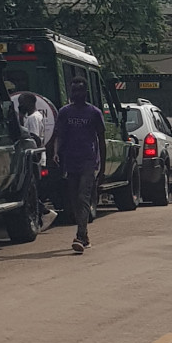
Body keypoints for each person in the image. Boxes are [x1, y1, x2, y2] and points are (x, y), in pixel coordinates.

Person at [51, 78, 105, 254]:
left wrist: (102, 166)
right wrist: (56, 152)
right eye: (74, 91)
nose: (77, 94)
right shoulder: (64, 112)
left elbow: (101, 140)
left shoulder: (94, 113)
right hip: (70, 161)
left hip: (88, 161)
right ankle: (85, 235)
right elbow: (59, 135)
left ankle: (80, 236)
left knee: (83, 197)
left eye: (80, 91)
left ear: (86, 93)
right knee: (74, 199)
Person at [18, 92, 57, 233]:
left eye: (22, 103)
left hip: (35, 158)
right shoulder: (35, 116)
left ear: (29, 103)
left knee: (31, 190)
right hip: (39, 156)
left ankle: (44, 212)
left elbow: (34, 138)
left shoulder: (34, 118)